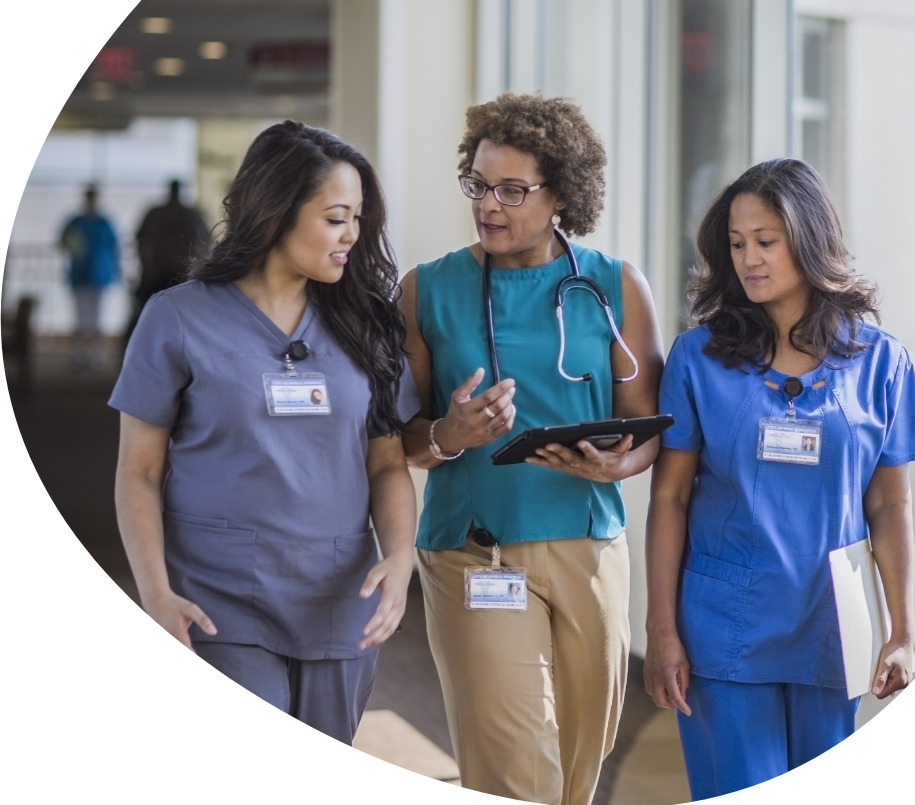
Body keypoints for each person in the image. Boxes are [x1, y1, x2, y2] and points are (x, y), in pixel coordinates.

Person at [110, 122, 419, 743]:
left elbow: (386, 462)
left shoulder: (366, 324)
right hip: (216, 597)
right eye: (336, 218)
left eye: (359, 218)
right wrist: (155, 593)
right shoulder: (177, 318)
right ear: (276, 212)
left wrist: (400, 556)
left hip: (339, 597)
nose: (352, 236)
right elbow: (138, 471)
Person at [399, 93, 664, 804]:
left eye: (511, 190)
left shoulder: (614, 286)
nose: (488, 204)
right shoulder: (425, 289)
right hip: (472, 546)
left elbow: (648, 426)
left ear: (560, 196)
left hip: (588, 540)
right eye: (478, 185)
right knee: (518, 765)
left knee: (583, 757)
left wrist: (617, 462)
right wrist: (448, 435)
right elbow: (398, 440)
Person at [644, 158, 914, 800]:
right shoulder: (698, 357)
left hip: (832, 623)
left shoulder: (882, 362)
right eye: (737, 244)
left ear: (810, 240)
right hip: (724, 627)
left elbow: (891, 503)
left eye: (767, 241)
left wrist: (904, 630)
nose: (749, 259)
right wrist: (660, 630)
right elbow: (670, 497)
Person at [127, 179, 209, 342]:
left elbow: (140, 243)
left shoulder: (157, 214)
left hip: (161, 274)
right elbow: (206, 244)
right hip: (179, 275)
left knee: (146, 321)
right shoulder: (191, 214)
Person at [59, 185, 119, 367]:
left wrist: (115, 272)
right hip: (80, 276)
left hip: (99, 276)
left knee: (97, 317)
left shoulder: (104, 222)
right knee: (80, 317)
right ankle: (79, 354)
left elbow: (113, 248)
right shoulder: (76, 222)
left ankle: (95, 354)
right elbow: (64, 242)